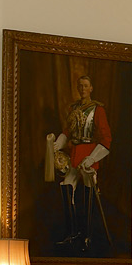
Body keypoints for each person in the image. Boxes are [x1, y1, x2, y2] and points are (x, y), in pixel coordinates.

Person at [45, 74, 112, 254]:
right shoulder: (73, 109)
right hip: (75, 153)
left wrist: (92, 158)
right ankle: (72, 233)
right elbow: (67, 131)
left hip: (90, 154)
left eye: (86, 86)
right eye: (80, 86)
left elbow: (106, 139)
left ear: (91, 88)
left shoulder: (98, 110)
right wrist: (57, 144)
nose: (82, 89)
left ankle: (87, 236)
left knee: (89, 188)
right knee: (67, 185)